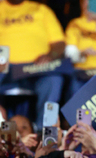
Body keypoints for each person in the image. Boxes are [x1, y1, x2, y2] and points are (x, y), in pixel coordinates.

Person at [0, 0, 65, 128]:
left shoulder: (42, 10)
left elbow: (59, 43)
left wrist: (50, 55)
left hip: (36, 68)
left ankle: (46, 132)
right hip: (4, 68)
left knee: (54, 80)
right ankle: (2, 131)